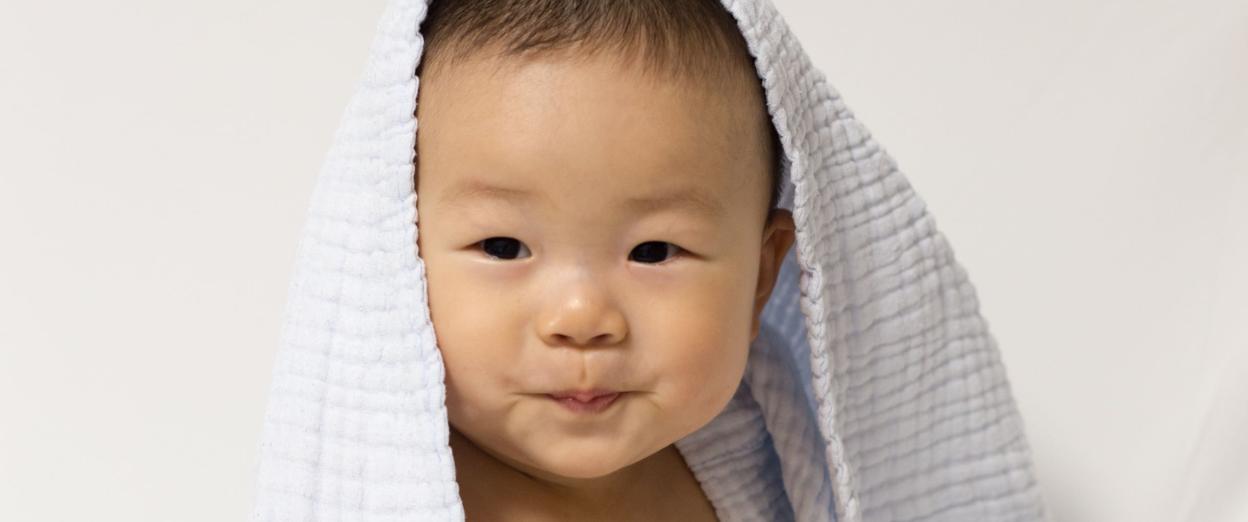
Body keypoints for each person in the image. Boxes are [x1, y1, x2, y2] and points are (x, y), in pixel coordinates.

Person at [252, 1, 1047, 520]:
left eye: (654, 250)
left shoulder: (760, 470)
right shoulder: (405, 498)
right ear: (396, 260)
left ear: (763, 273)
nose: (582, 319)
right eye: (503, 246)